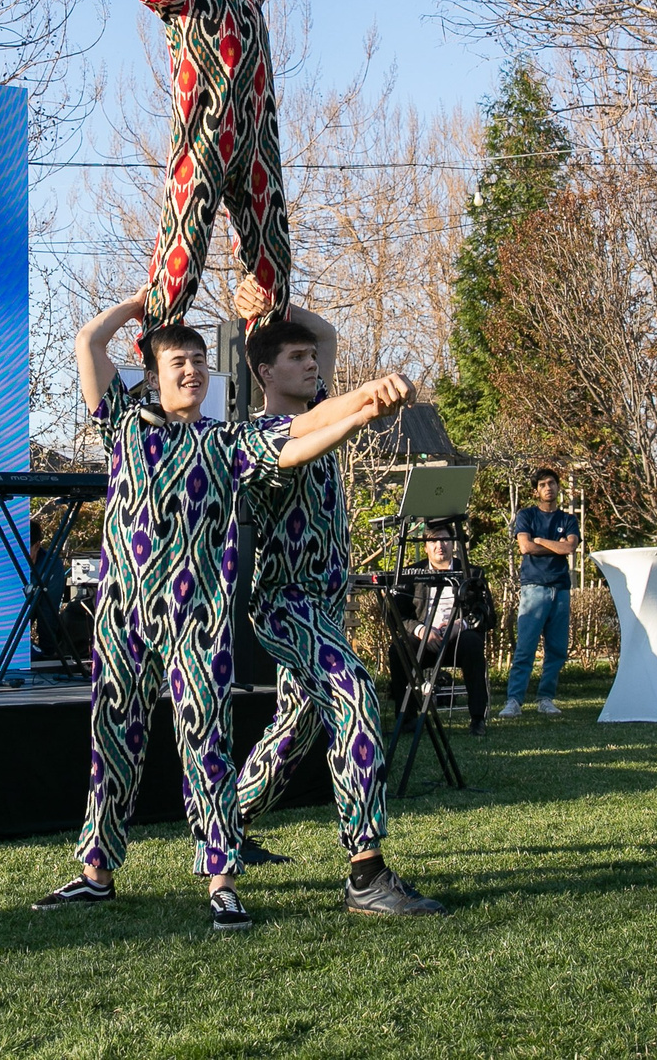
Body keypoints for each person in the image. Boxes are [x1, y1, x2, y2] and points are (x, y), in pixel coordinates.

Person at [32, 294, 412, 932]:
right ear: (151, 375)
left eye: (200, 363)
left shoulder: (227, 441)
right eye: (178, 363)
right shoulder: (123, 425)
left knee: (208, 743)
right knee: (112, 739)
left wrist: (363, 403)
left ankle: (222, 882)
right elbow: (88, 345)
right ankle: (96, 875)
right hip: (124, 613)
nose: (192, 373)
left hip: (198, 618)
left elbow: (295, 442)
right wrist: (142, 305)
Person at [2, 0, 292, 338]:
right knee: (178, 268)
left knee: (274, 272)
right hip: (203, 148)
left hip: (259, 149)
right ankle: (157, 369)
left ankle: (273, 373)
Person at [230, 303, 444, 917]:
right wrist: (367, 405)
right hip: (284, 606)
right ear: (263, 372)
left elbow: (324, 336)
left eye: (311, 360)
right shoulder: (256, 435)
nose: (311, 363)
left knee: (295, 728)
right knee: (354, 695)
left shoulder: (317, 396)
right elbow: (318, 430)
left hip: (324, 602)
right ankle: (366, 874)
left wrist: (276, 304)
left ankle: (226, 823)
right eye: (294, 359)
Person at [385, 520, 494, 737]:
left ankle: (477, 719)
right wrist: (420, 630)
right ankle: (407, 720)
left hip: (457, 638)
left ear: (453, 544)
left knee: (473, 643)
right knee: (398, 650)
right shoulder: (410, 574)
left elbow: (487, 615)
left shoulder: (472, 574)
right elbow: (396, 616)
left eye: (445, 539)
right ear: (425, 546)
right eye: (433, 541)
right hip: (425, 637)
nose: (439, 545)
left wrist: (459, 625)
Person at [500, 468, 579, 718]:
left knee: (557, 649)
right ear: (536, 490)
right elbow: (524, 546)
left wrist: (542, 541)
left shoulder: (568, 519)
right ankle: (514, 700)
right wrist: (554, 545)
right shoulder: (526, 515)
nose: (549, 488)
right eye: (543, 484)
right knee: (525, 646)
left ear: (558, 487)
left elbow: (569, 548)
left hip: (561, 588)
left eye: (552, 483)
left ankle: (546, 697)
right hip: (534, 587)